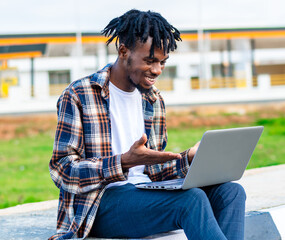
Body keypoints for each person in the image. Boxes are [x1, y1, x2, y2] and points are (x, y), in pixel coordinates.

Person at [49, 9, 246, 240]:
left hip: (143, 195)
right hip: (99, 205)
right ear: (123, 51)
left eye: (162, 62)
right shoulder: (79, 94)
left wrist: (189, 158)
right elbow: (62, 171)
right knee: (191, 201)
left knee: (231, 192)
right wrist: (122, 162)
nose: (157, 70)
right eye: (150, 61)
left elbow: (154, 171)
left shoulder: (153, 100)